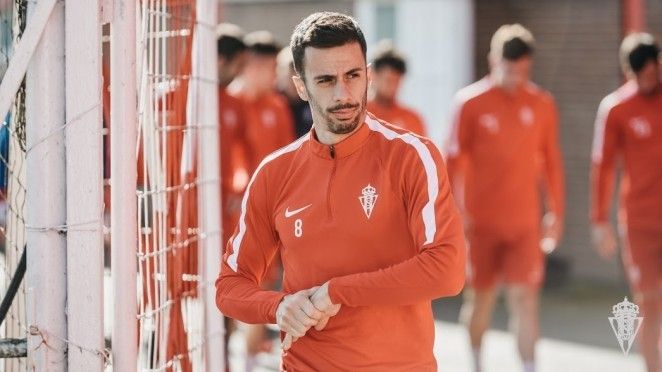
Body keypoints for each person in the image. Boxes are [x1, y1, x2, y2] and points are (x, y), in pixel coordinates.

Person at [216, 11, 465, 371]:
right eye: (326, 80)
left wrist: (337, 291)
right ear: (300, 86)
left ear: (367, 72)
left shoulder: (411, 156)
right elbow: (229, 287)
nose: (344, 93)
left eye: (353, 75)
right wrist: (278, 307)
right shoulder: (275, 172)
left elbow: (447, 270)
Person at [446, 24, 564, 372]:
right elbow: (452, 162)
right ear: (493, 60)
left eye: (522, 71)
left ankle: (529, 367)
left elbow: (552, 163)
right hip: (481, 223)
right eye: (508, 69)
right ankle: (477, 363)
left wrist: (555, 212)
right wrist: (454, 212)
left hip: (525, 223)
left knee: (524, 299)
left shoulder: (542, 103)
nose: (515, 78)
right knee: (481, 299)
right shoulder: (469, 103)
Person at [591, 32, 661, 372]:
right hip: (640, 222)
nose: (648, 79)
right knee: (647, 302)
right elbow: (602, 168)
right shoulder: (617, 107)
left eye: (653, 71)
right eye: (640, 74)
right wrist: (599, 221)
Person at [229, 30, 295, 171]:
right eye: (273, 68)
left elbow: (287, 154)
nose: (276, 75)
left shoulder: (278, 105)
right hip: (232, 191)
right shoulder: (229, 103)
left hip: (270, 189)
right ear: (256, 67)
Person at [367, 39, 427, 136]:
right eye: (388, 80)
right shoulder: (359, 115)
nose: (393, 86)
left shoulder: (412, 119)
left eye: (397, 80)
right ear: (372, 75)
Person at [277, 46, 313, 138]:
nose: (295, 74)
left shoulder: (312, 102)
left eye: (300, 69)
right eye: (291, 67)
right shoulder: (272, 101)